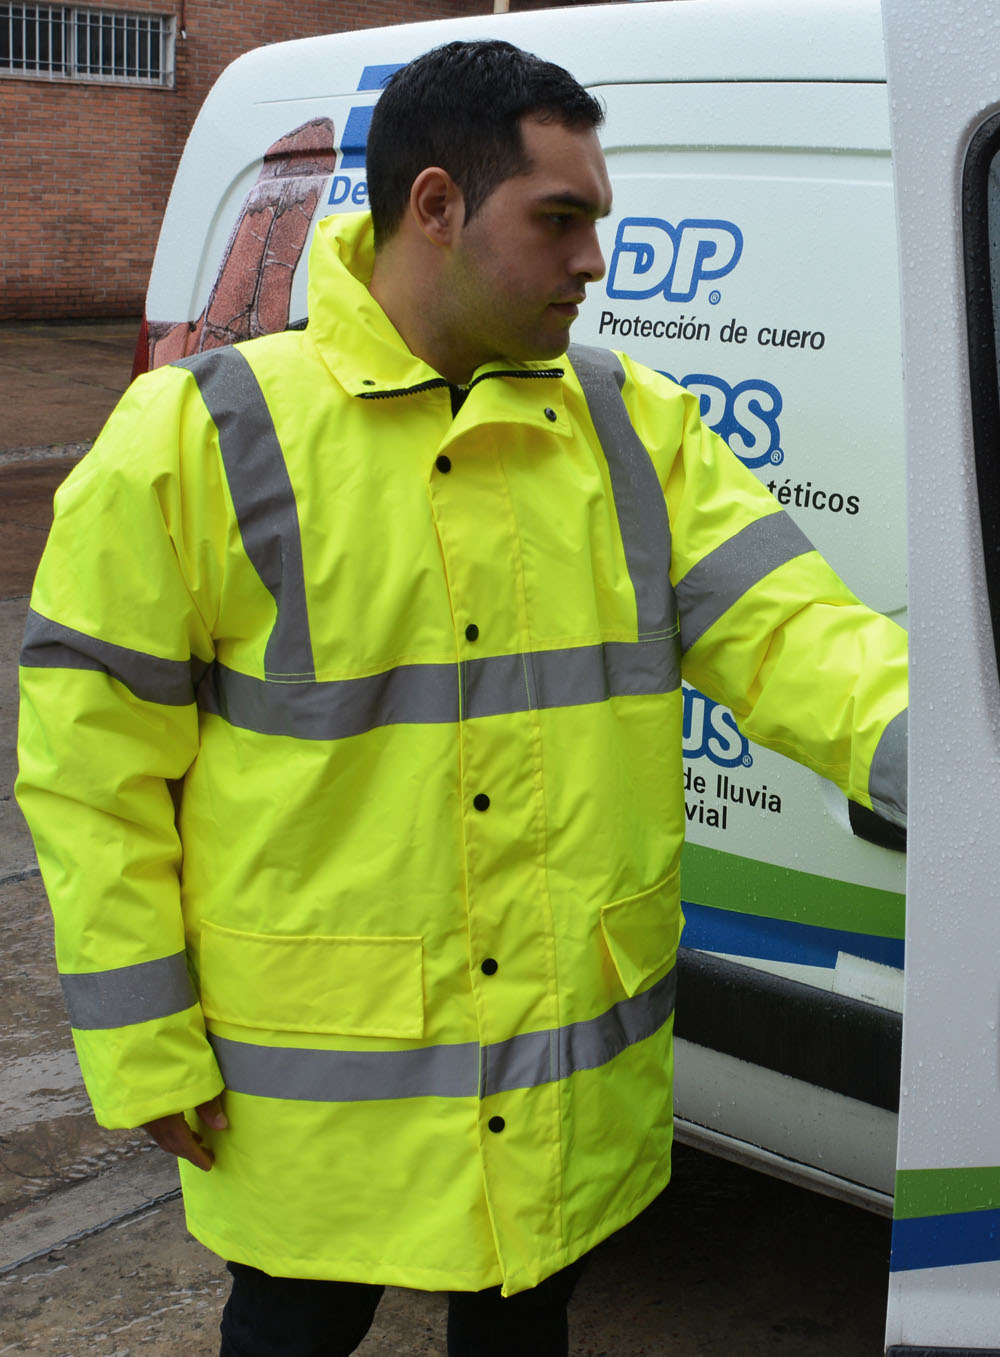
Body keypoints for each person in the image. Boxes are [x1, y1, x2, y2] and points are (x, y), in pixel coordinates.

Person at [16, 38, 907, 1357]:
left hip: (549, 1078)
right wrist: (144, 1040)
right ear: (435, 205)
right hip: (312, 1099)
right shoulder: (202, 439)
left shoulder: (632, 430)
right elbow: (92, 770)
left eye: (597, 222)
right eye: (560, 219)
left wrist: (956, 760)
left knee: (525, 1330)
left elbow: (801, 640)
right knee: (290, 1333)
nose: (592, 261)